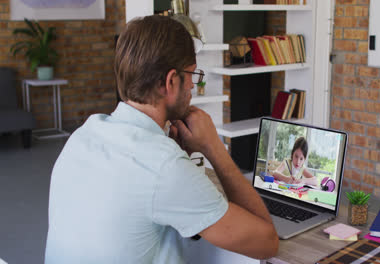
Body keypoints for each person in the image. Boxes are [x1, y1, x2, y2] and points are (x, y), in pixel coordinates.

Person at [45, 15, 278, 264]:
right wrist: (213, 147)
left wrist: (175, 157)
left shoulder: (83, 134)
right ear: (170, 81)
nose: (192, 85)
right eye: (191, 74)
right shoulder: (164, 166)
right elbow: (266, 243)